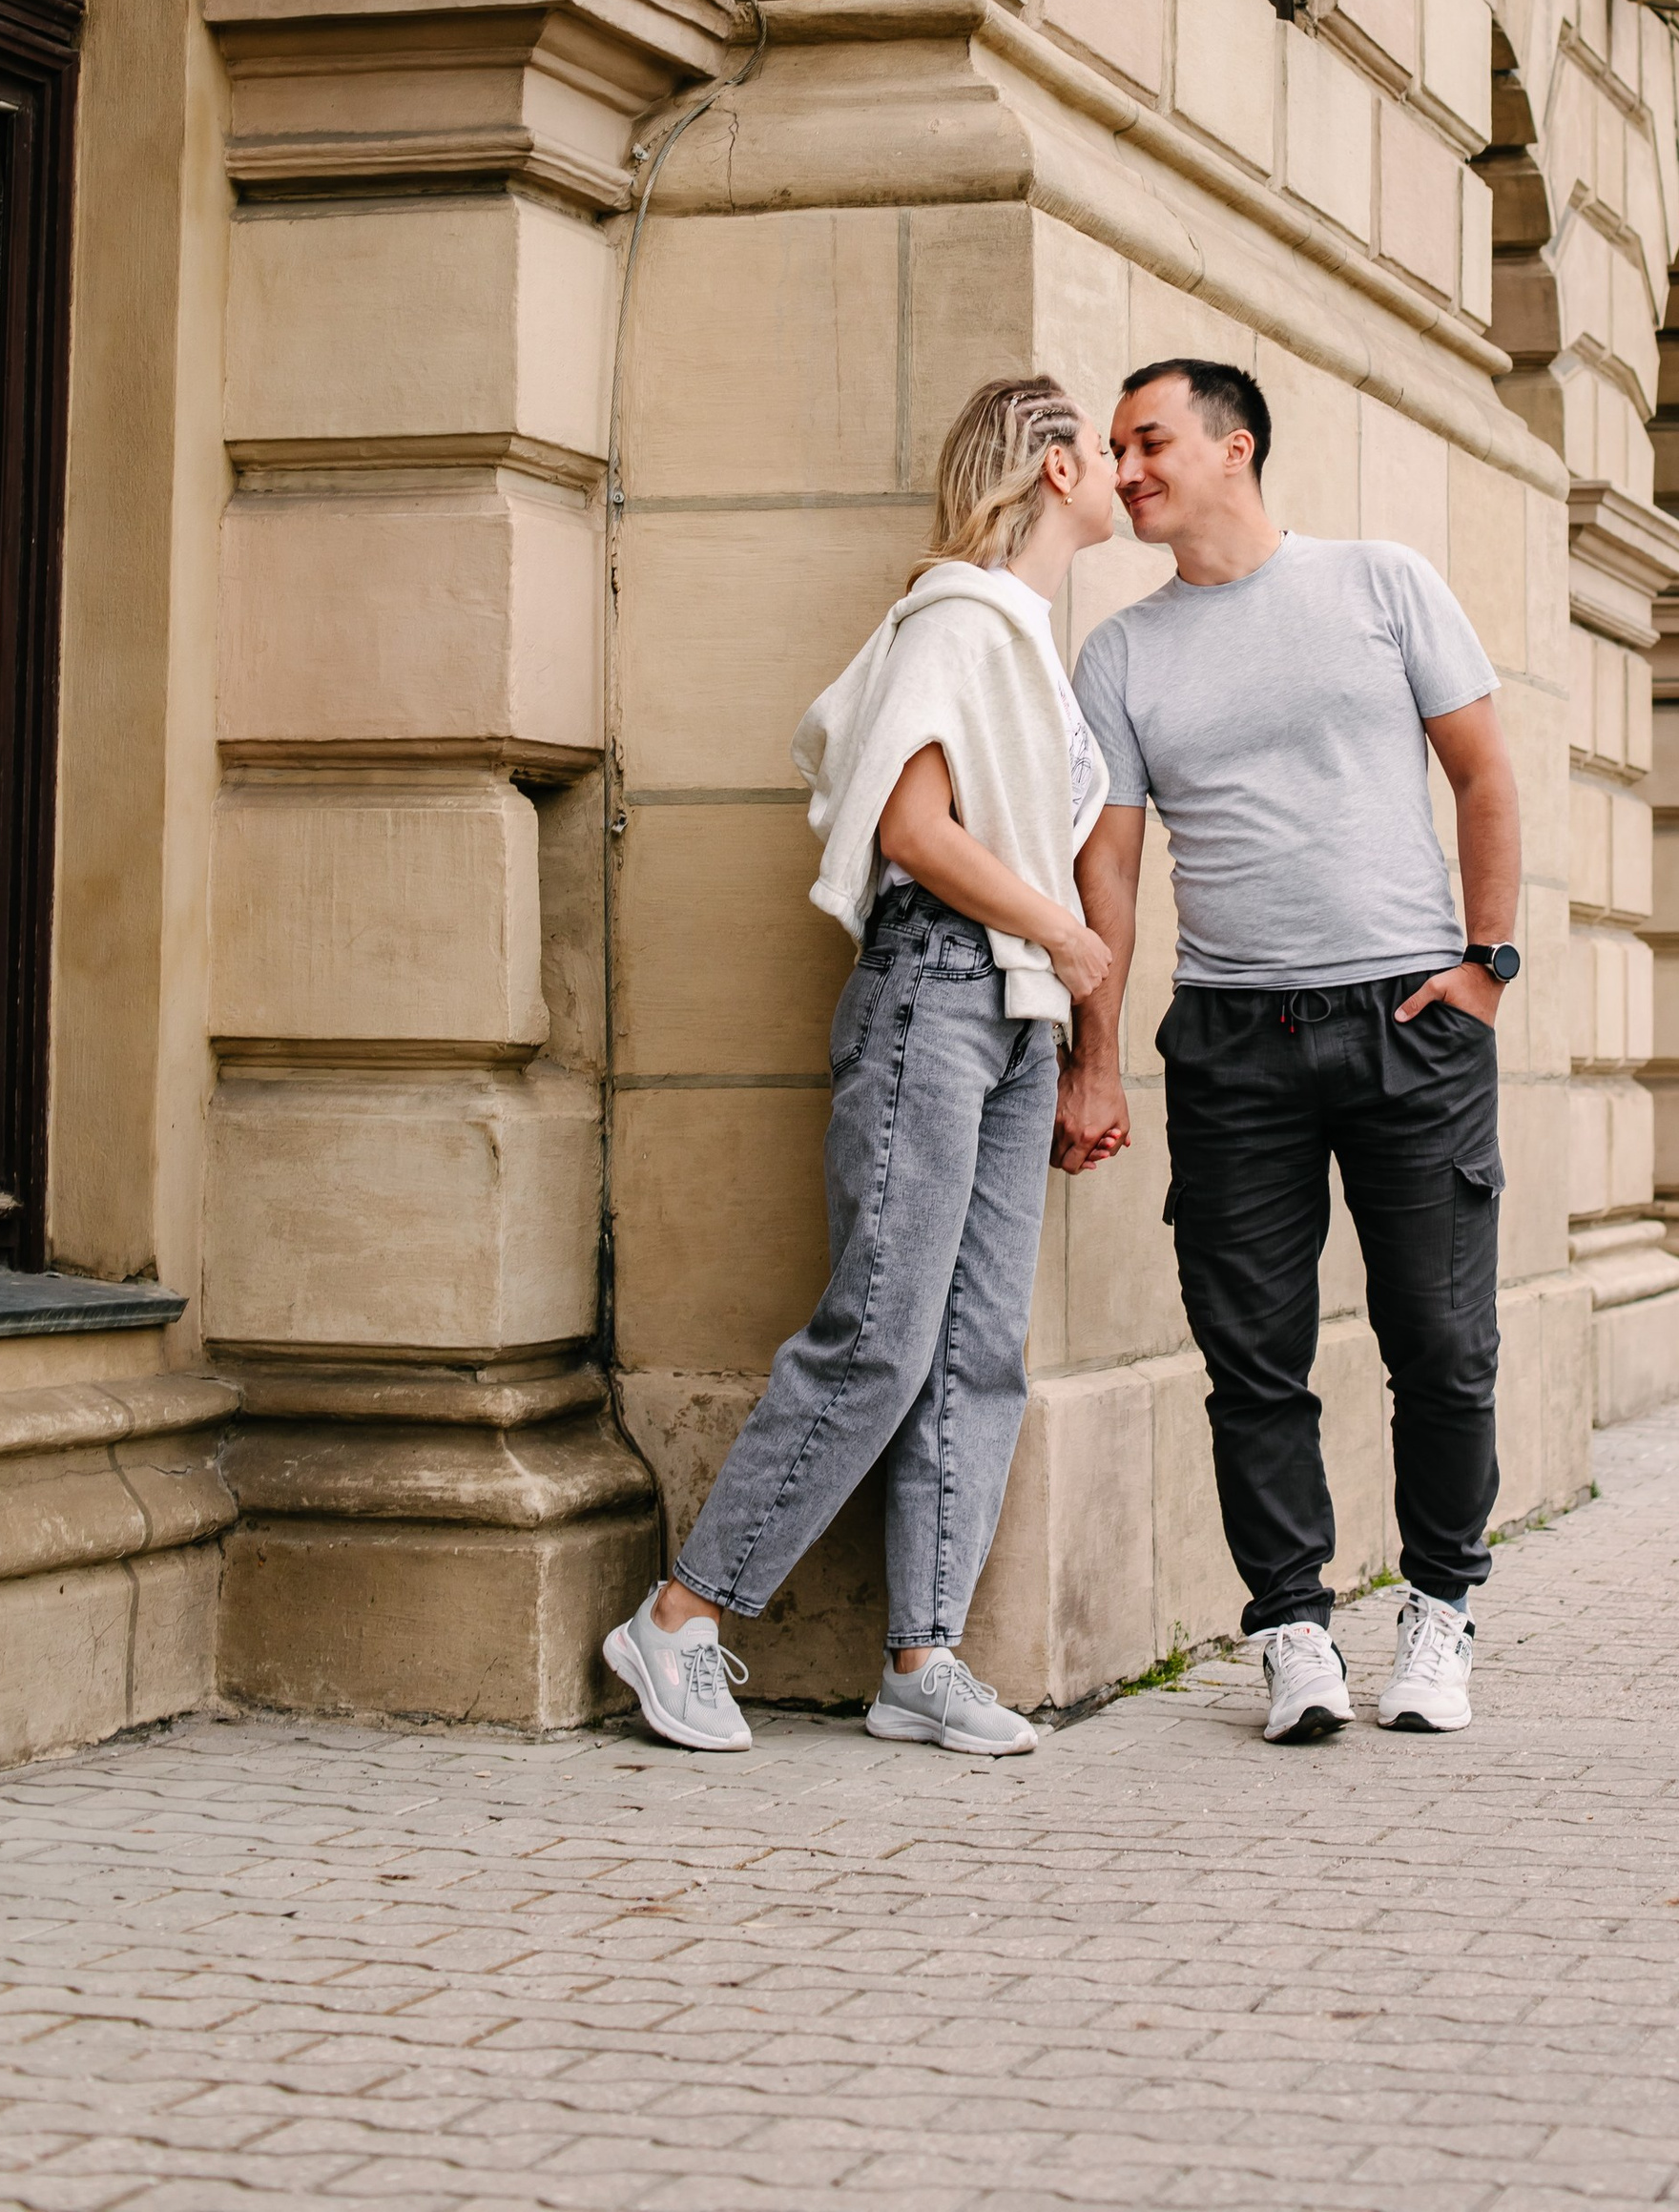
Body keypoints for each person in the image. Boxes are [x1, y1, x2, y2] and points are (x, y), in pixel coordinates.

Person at [604, 375, 1122, 1758]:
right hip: (943, 991)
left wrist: (1062, 1001)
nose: (1127, 463)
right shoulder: (958, 616)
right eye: (1105, 441)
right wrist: (1062, 932)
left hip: (1013, 1014)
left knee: (976, 1350)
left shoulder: (1025, 636)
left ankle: (922, 1658)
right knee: (882, 1333)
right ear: (1054, 466)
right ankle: (679, 1622)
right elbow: (914, 826)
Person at [1063, 359, 1522, 1745]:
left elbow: (1487, 771)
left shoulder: (1380, 584)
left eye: (1149, 443)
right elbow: (1114, 880)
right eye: (1119, 449)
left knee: (1440, 1344)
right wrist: (1098, 1060)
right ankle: (1292, 1629)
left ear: (1233, 446)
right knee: (1250, 1356)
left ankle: (1440, 1608)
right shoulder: (1123, 655)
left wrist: (1488, 968)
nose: (1127, 469)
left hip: (1409, 1021)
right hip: (1231, 1034)